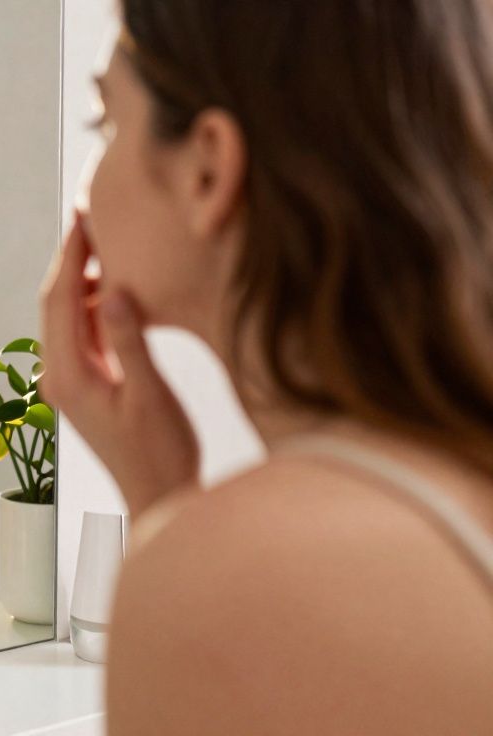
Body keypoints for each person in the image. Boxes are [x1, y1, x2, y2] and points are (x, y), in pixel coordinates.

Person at [40, 2, 493, 733]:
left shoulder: (251, 578)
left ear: (209, 170)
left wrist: (176, 545)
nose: (85, 193)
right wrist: (162, 500)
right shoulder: (444, 476)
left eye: (107, 123)